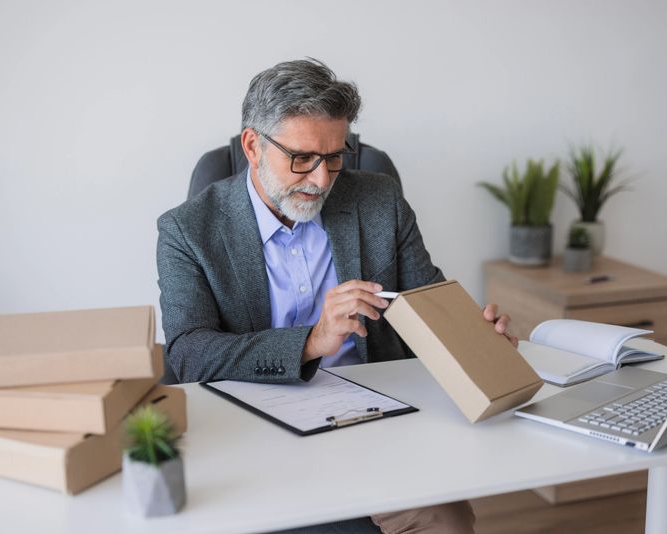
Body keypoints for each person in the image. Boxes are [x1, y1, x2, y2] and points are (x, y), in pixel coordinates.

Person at [157, 58, 516, 534]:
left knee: (446, 521)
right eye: (302, 158)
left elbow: (426, 303)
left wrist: (476, 343)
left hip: (376, 422)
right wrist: (311, 341)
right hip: (252, 430)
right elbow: (188, 355)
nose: (322, 179)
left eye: (334, 157)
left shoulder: (379, 200)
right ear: (253, 146)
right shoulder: (187, 230)